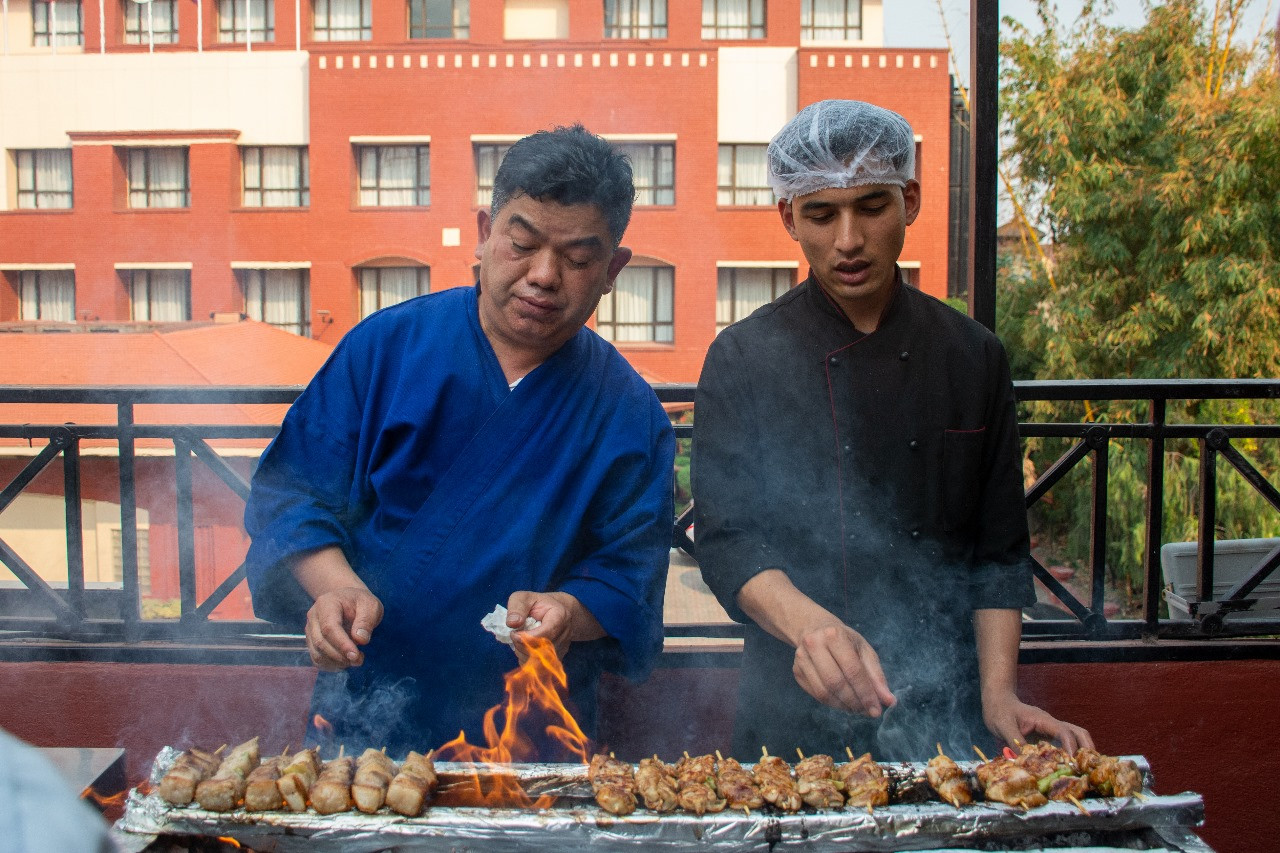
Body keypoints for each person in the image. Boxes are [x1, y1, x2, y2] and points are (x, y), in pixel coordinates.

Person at [244, 125, 675, 757]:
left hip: (536, 730)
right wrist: (335, 586)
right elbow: (292, 492)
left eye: (579, 260)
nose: (544, 276)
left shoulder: (629, 412)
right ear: (484, 232)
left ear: (613, 269)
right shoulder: (385, 349)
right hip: (367, 716)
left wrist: (567, 611)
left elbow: (628, 573)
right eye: (521, 244)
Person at [691, 100, 1092, 762]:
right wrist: (813, 628)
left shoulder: (973, 354)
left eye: (871, 206)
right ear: (789, 217)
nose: (848, 239)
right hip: (792, 717)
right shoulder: (743, 357)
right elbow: (729, 541)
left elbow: (997, 553)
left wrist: (1000, 696)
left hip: (946, 712)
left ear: (909, 198)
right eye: (821, 213)